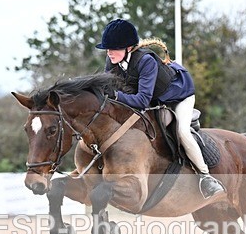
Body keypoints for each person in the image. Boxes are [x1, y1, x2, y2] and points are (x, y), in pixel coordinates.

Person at [96, 18, 225, 199]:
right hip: (155, 98)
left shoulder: (145, 61)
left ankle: (206, 177)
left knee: (181, 131)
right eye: (107, 49)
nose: (109, 53)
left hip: (179, 95)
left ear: (128, 48)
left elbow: (141, 100)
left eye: (113, 48)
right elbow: (108, 88)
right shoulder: (113, 61)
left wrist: (115, 96)